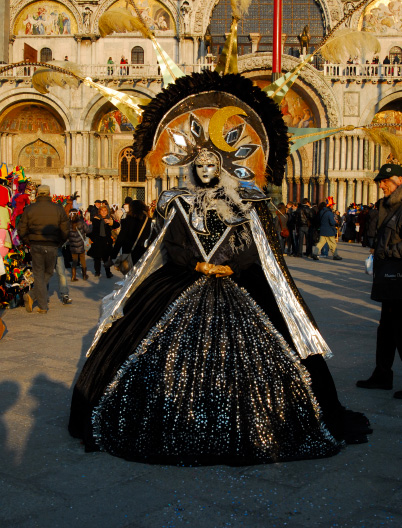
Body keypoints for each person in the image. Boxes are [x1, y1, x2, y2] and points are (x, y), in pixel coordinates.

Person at [69, 72, 371, 463]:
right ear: (194, 166)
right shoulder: (178, 203)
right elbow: (173, 246)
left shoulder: (247, 203)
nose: (207, 167)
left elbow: (256, 248)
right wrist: (196, 264)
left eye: (214, 162)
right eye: (201, 162)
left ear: (224, 163)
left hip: (239, 282)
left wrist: (230, 267)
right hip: (184, 281)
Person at [356, 164, 402, 399]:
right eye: (380, 181)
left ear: (400, 180)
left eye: (385, 180)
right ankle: (382, 375)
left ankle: (383, 374)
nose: (381, 185)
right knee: (386, 330)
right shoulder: (388, 207)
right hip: (389, 278)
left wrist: (386, 251)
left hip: (399, 277)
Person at [17, 184, 69, 313]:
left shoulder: (30, 209)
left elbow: (21, 229)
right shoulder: (58, 209)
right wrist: (60, 242)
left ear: (38, 194)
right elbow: (65, 229)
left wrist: (29, 241)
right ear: (49, 193)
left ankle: (33, 296)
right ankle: (42, 305)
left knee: (40, 274)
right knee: (48, 273)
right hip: (52, 245)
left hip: (35, 245)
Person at [111, 200, 151, 266]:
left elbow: (120, 239)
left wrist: (113, 255)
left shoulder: (127, 221)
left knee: (130, 274)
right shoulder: (149, 221)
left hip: (129, 252)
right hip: (144, 252)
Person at [87, 205, 119, 278]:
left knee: (106, 258)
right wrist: (92, 239)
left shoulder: (109, 219)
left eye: (105, 210)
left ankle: (108, 272)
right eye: (102, 210)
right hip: (97, 241)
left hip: (107, 241)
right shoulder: (95, 219)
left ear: (107, 211)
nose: (104, 212)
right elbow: (92, 231)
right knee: (97, 258)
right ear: (99, 212)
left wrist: (110, 222)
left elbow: (117, 225)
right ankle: (97, 272)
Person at [68, 210, 92, 281]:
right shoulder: (81, 222)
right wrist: (90, 226)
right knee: (82, 259)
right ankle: (84, 275)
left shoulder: (67, 223)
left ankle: (73, 276)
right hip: (81, 244)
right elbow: (88, 231)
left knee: (74, 260)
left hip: (72, 244)